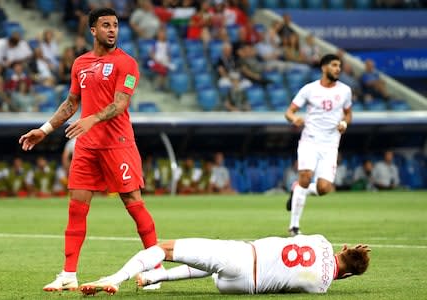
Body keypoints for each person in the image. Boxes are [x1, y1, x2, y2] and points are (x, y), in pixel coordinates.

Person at [19, 8, 160, 292]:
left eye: (116, 25)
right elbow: (71, 104)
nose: (112, 30)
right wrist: (44, 130)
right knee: (76, 207)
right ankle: (68, 274)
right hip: (86, 146)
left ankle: (154, 272)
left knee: (133, 203)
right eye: (106, 25)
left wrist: (92, 118)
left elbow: (120, 104)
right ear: (92, 30)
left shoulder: (127, 64)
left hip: (117, 144)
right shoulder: (80, 63)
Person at [79, 234, 370, 296]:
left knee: (163, 248)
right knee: (214, 265)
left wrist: (349, 252)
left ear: (343, 248)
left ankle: (116, 278)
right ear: (349, 275)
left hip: (245, 255)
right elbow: (333, 273)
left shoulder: (320, 240)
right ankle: (155, 279)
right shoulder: (321, 287)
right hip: (242, 288)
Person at [284, 54, 352, 236]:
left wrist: (344, 123)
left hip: (330, 145)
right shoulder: (309, 89)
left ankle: (298, 190)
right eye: (334, 65)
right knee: (305, 177)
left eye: (339, 66)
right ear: (324, 68)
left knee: (324, 189)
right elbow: (289, 112)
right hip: (310, 140)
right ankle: (294, 227)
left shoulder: (345, 91)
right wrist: (294, 119)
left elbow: (348, 114)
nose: (338, 69)